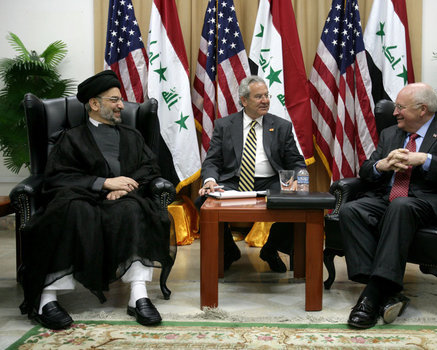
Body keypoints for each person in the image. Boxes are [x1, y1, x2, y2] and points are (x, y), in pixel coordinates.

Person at [19, 70, 176, 330]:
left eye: (120, 100)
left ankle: (138, 296)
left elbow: (150, 169)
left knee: (133, 210)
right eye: (114, 100)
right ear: (94, 104)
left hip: (123, 198)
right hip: (81, 197)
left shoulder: (132, 136)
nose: (121, 106)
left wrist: (125, 186)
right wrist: (102, 183)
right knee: (71, 211)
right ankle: (47, 298)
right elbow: (57, 177)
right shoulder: (72, 137)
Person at [339, 83, 437, 329]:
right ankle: (386, 292)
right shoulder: (391, 134)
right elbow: (365, 170)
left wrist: (426, 160)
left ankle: (370, 298)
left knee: (401, 206)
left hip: (426, 201)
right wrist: (381, 166)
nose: (394, 113)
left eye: (400, 108)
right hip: (387, 197)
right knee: (352, 209)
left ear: (422, 109)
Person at [197, 75, 305, 272]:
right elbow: (212, 160)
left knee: (297, 203)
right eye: (259, 97)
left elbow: (297, 162)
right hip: (233, 181)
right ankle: (229, 250)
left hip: (271, 182)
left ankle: (271, 249)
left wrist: (298, 178)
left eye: (266, 95)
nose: (265, 101)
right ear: (244, 100)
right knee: (202, 203)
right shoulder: (224, 125)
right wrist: (210, 180)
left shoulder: (282, 126)